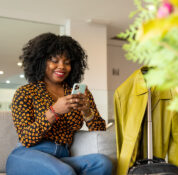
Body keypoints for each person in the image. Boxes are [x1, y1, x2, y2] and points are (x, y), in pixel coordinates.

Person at [6, 33, 113, 175]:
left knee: (102, 163)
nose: (61, 66)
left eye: (67, 62)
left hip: (61, 157)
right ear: (41, 61)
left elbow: (100, 132)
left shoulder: (78, 92)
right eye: (54, 60)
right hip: (28, 155)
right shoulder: (26, 92)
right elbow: (26, 138)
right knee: (65, 172)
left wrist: (87, 113)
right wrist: (54, 112)